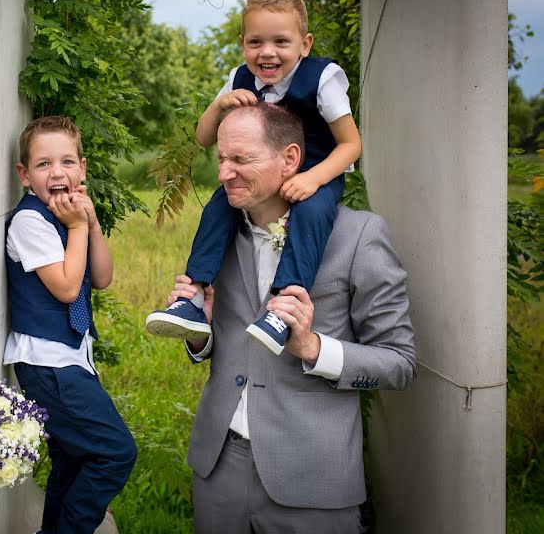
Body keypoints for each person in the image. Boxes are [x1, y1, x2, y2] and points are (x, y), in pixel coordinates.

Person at [166, 104, 416, 533]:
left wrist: (312, 348)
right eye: (222, 159)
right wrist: (199, 333)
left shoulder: (359, 236)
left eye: (241, 160)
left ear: (291, 160)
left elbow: (400, 363)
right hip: (217, 467)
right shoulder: (219, 234)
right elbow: (222, 350)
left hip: (312, 476)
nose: (225, 173)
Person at [146, 0, 362, 355]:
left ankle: (282, 307)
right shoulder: (239, 78)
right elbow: (203, 137)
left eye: (281, 41)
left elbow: (351, 145)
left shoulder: (322, 79)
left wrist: (313, 179)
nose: (267, 52)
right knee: (219, 205)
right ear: (242, 42)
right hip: (260, 179)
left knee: (309, 214)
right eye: (256, 41)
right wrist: (220, 106)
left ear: (305, 44)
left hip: (314, 172)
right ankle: (194, 296)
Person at [3, 116, 136, 534]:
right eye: (43, 165)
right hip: (47, 363)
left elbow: (101, 277)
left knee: (74, 458)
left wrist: (91, 224)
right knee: (115, 452)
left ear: (82, 168)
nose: (57, 172)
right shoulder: (29, 221)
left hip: (69, 358)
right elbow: (64, 287)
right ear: (25, 174)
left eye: (66, 162)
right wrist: (77, 227)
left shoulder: (72, 215)